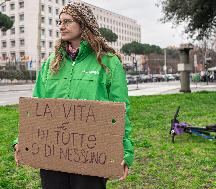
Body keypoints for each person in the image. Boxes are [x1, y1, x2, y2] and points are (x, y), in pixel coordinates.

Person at [13, 2, 134, 189]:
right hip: (52, 154)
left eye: (67, 21)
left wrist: (124, 152)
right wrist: (23, 140)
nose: (61, 26)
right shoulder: (50, 64)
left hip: (92, 156)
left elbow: (120, 111)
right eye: (59, 22)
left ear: (83, 23)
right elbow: (35, 108)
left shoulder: (109, 62)